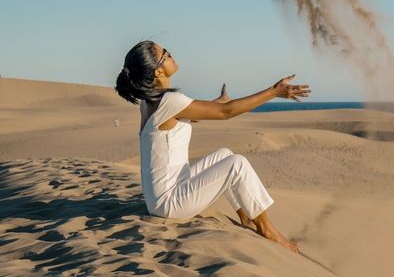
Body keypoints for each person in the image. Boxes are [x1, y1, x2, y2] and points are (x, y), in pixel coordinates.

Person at [114, 40, 310, 253]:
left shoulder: (150, 103)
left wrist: (217, 102)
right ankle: (268, 230)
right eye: (165, 55)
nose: (171, 54)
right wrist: (274, 92)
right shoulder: (169, 101)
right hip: (170, 203)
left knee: (224, 155)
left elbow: (186, 116)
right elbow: (226, 113)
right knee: (237, 164)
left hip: (165, 195)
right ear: (158, 72)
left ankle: (245, 218)